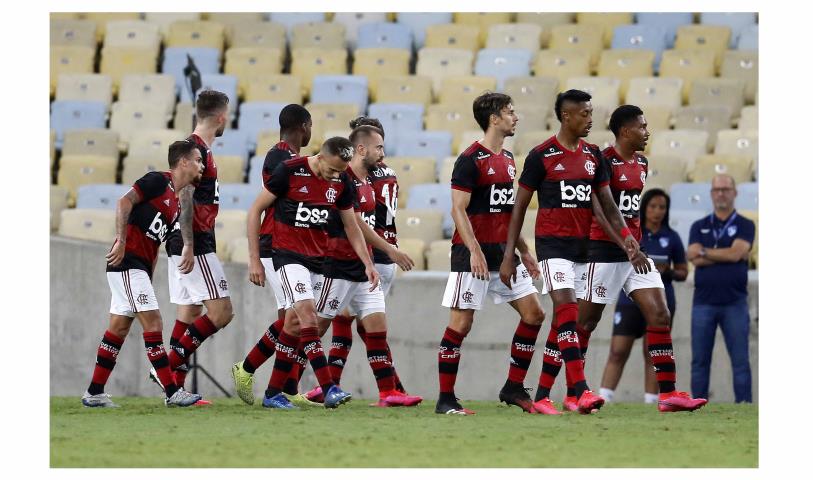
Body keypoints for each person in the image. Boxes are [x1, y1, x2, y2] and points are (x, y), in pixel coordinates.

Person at [541, 105, 705, 412]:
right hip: (603, 253)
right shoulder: (602, 161)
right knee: (584, 323)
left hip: (635, 254)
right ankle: (573, 393)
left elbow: (627, 210)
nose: (647, 132)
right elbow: (600, 211)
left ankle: (668, 394)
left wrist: (633, 246)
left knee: (660, 314)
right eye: (642, 127)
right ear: (626, 131)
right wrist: (626, 244)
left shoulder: (641, 163)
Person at [499, 90, 640, 415]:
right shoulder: (542, 155)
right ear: (566, 116)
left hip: (583, 250)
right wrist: (510, 255)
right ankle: (581, 389)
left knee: (565, 324)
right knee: (567, 309)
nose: (590, 119)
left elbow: (608, 204)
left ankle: (543, 396)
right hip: (553, 247)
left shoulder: (593, 155)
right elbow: (518, 208)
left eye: (591, 113)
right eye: (585, 113)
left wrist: (626, 237)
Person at [435, 92, 547, 416]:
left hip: (503, 254)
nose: (515, 117)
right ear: (494, 119)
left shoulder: (508, 158)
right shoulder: (469, 159)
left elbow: (507, 211)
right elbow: (458, 209)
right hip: (472, 255)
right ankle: (445, 399)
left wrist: (524, 251)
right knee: (461, 324)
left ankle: (513, 387)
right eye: (510, 112)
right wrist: (474, 250)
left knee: (534, 314)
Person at [246, 137, 378, 409]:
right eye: (331, 170)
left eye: (340, 171)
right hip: (286, 255)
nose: (335, 176)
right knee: (308, 315)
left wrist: (368, 263)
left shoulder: (341, 180)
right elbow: (255, 210)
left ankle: (272, 393)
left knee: (294, 325)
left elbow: (351, 226)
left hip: (317, 261)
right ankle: (329, 387)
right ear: (320, 157)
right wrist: (254, 259)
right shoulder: (290, 170)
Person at [81, 140, 205, 408]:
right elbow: (124, 202)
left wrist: (148, 274)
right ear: (183, 162)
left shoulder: (176, 203)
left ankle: (94, 392)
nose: (201, 166)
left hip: (137, 268)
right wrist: (121, 240)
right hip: (127, 262)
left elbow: (155, 243)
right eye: (197, 160)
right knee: (154, 323)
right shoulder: (158, 181)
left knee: (118, 329)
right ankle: (172, 391)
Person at [312, 125, 421, 407]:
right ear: (361, 149)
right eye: (379, 147)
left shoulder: (367, 180)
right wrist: (390, 250)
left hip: (364, 267)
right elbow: (355, 224)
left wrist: (371, 261)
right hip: (338, 266)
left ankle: (388, 392)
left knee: (376, 327)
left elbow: (362, 226)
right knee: (315, 327)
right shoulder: (344, 178)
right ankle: (284, 383)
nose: (383, 154)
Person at [151, 91, 235, 404]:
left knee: (188, 313)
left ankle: (176, 392)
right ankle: (165, 368)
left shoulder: (198, 148)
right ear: (221, 117)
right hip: (194, 241)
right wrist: (188, 243)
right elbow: (184, 195)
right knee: (222, 312)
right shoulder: (195, 150)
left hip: (184, 240)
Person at [231, 104, 312, 405]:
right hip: (276, 245)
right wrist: (254, 258)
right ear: (304, 126)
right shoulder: (279, 156)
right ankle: (249, 370)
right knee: (295, 317)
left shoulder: (291, 158)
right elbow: (262, 205)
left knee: (290, 320)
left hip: (289, 245)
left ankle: (286, 388)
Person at [599, 188, 689, 404]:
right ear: (644, 207)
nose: (657, 211)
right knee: (618, 351)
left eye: (662, 207)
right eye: (653, 206)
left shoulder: (672, 237)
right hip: (629, 301)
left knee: (653, 352)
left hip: (660, 300)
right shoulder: (633, 234)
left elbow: (684, 271)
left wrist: (668, 271)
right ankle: (604, 397)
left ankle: (651, 400)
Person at [687, 174, 755, 403]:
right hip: (703, 302)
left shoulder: (745, 224)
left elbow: (737, 253)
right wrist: (726, 254)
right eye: (717, 189)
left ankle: (744, 406)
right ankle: (698, 406)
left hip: (735, 302)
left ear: (735, 193)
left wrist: (705, 252)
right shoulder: (699, 226)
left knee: (740, 361)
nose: (721, 193)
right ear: (711, 194)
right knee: (699, 361)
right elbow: (693, 257)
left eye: (725, 189)